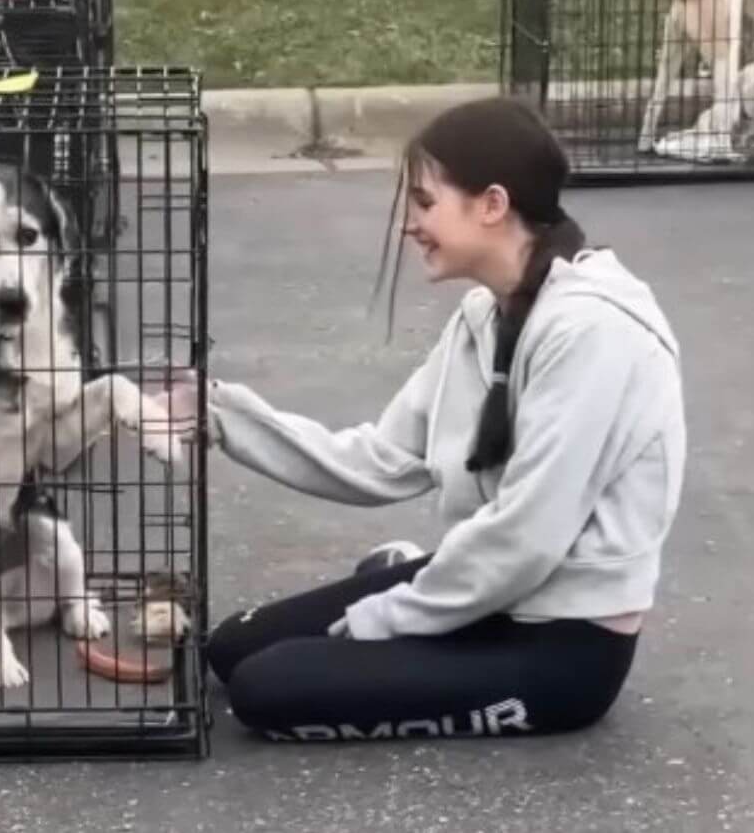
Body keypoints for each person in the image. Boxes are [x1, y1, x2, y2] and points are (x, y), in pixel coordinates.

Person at [165, 96, 687, 743]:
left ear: (492, 205)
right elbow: (381, 459)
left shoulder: (594, 332)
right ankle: (421, 576)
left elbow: (527, 538)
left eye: (425, 202)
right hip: (493, 590)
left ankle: (419, 582)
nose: (410, 224)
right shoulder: (485, 315)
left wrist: (384, 618)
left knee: (264, 690)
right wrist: (218, 413)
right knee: (230, 649)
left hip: (563, 642)